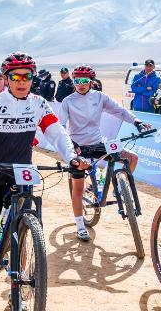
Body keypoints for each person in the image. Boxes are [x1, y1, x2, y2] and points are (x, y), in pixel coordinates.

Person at [0, 52, 87, 311]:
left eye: (27, 76)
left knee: (23, 234)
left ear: (32, 78)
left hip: (22, 175)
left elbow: (57, 133)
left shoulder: (38, 103)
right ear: (7, 79)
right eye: (16, 77)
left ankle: (17, 289)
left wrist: (72, 157)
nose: (21, 82)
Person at [58, 65, 150, 241]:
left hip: (98, 143)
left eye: (84, 80)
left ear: (91, 81)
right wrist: (72, 144)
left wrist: (136, 122)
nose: (81, 84)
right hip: (78, 147)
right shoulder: (68, 101)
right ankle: (80, 226)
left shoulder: (100, 97)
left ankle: (119, 190)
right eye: (77, 81)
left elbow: (119, 111)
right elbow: (61, 126)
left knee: (132, 158)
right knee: (78, 189)